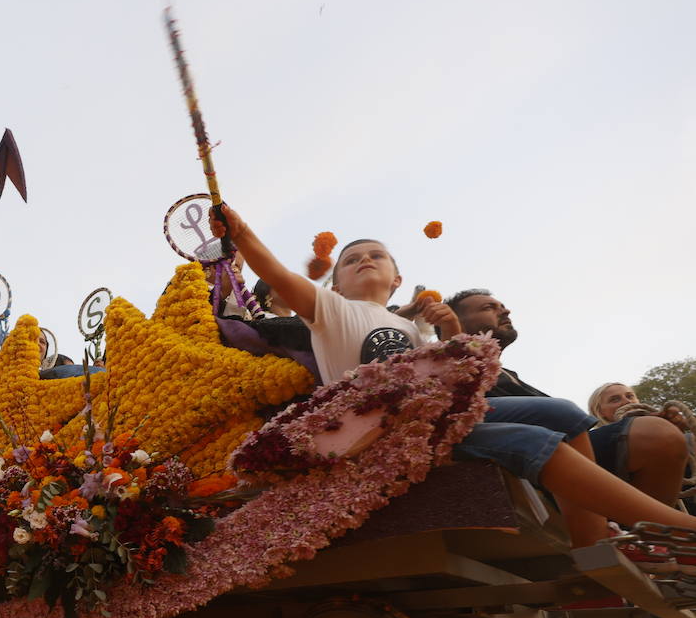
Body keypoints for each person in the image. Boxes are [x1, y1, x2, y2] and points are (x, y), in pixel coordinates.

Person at [208, 204, 696, 547]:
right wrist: (242, 232)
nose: (364, 262)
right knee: (529, 441)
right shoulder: (331, 311)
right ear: (335, 282)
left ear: (397, 279)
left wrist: (453, 330)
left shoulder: (408, 326)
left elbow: (465, 383)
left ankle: (589, 540)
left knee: (563, 413)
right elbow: (273, 272)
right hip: (385, 434)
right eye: (351, 260)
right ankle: (676, 527)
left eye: (375, 255)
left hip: (444, 415)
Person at [444, 293, 693, 618]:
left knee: (661, 438)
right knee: (567, 418)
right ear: (453, 318)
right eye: (488, 305)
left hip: (570, 454)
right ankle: (626, 540)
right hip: (522, 457)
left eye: (503, 304)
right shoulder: (442, 358)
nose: (503, 309)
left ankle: (652, 546)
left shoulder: (519, 378)